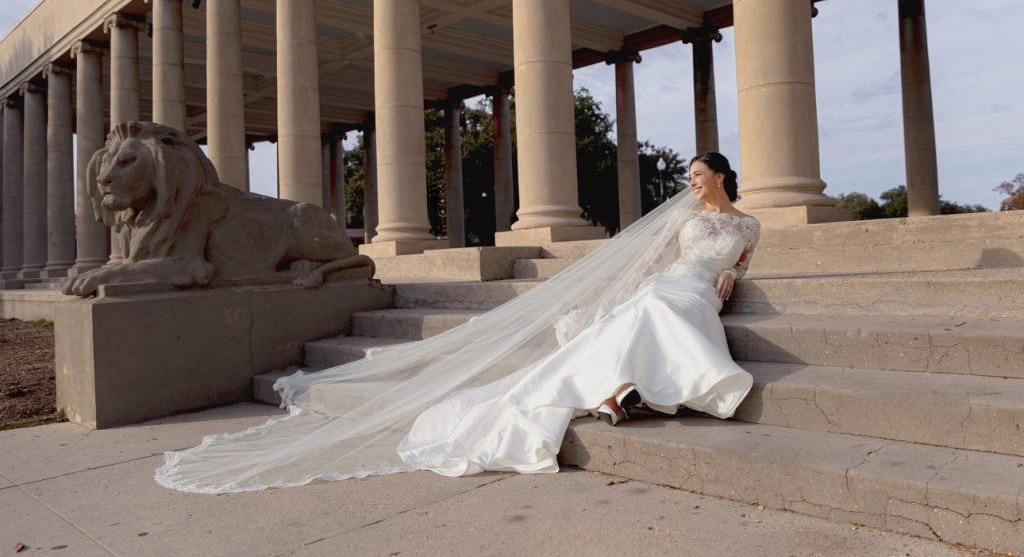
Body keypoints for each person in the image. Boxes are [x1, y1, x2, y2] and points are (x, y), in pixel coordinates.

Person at [156, 152, 760, 492]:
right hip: (669, 283)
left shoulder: (748, 225)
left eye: (699, 176)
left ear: (722, 177)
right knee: (647, 308)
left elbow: (740, 266)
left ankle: (632, 389)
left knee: (667, 313)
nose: (691, 184)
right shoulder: (681, 218)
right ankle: (623, 389)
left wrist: (727, 281)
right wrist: (616, 297)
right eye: (688, 177)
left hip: (703, 291)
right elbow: (652, 261)